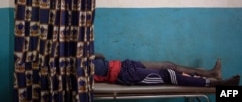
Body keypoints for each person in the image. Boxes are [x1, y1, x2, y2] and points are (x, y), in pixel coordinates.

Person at [93, 53, 240, 87]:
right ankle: (215, 84)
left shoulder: (82, 53)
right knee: (169, 75)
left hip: (125, 64)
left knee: (168, 65)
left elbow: (102, 56)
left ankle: (211, 73)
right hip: (124, 75)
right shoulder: (79, 73)